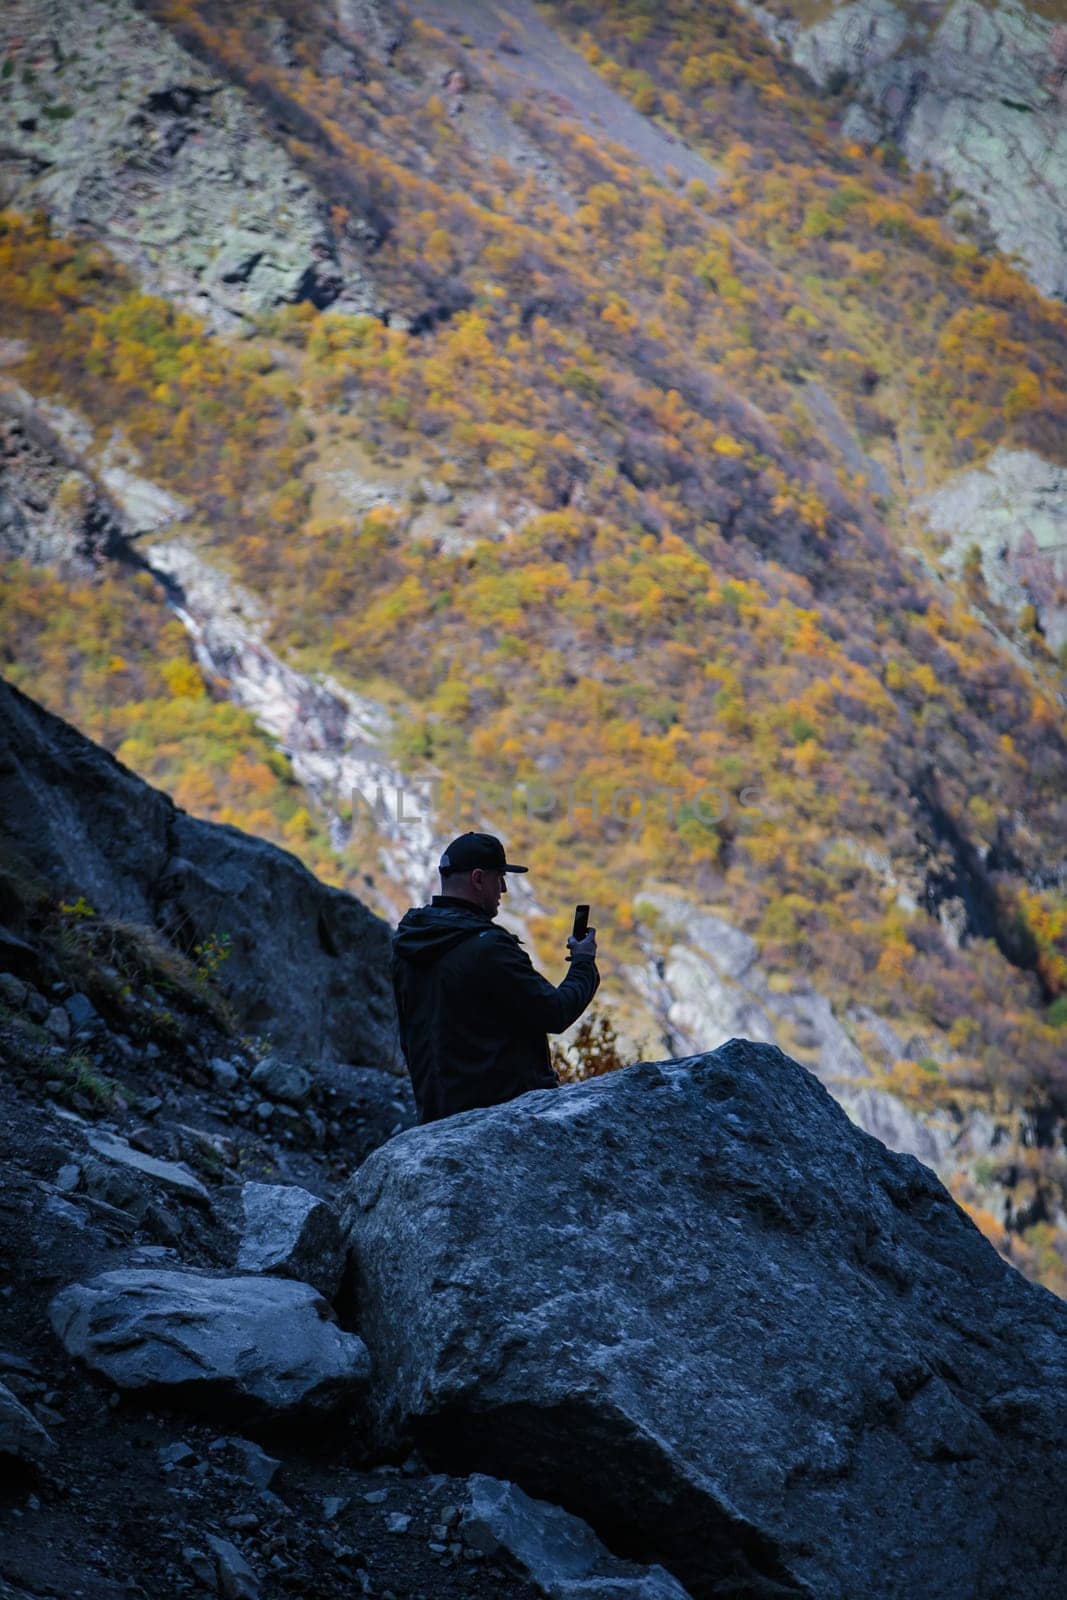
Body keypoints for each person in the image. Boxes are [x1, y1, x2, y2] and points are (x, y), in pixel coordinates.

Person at [392, 831, 600, 1124]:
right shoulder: (488, 947)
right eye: (499, 877)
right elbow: (555, 1012)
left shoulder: (407, 943)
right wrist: (583, 963)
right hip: (503, 1118)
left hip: (437, 1118)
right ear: (478, 879)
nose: (503, 888)